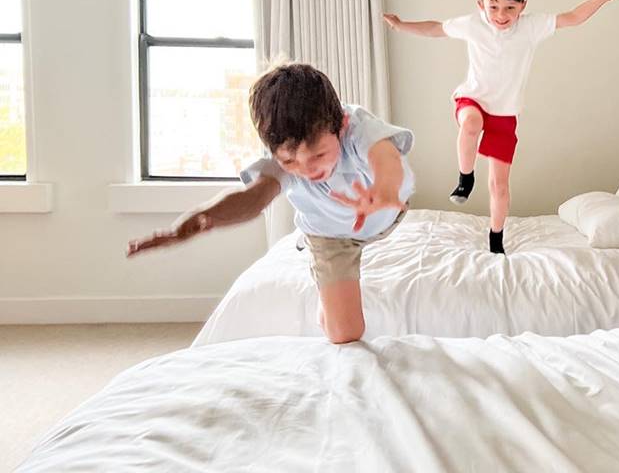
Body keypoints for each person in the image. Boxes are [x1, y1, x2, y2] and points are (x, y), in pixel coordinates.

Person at [127, 63, 414, 344]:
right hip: (331, 235)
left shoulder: (358, 126)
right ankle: (324, 294)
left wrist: (384, 189)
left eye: (318, 154)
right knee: (344, 333)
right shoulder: (280, 163)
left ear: (341, 125)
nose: (307, 169)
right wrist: (202, 217)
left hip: (383, 215)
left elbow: (385, 156)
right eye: (289, 160)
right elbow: (255, 197)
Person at [384, 0, 619, 254]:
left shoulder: (531, 27)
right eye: (494, 7)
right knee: (470, 124)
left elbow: (573, 18)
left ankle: (496, 239)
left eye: (510, 8)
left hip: (505, 115)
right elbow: (435, 28)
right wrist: (401, 25)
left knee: (499, 187)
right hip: (471, 100)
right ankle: (465, 178)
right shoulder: (473, 25)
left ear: (523, 6)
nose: (501, 15)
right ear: (481, 4)